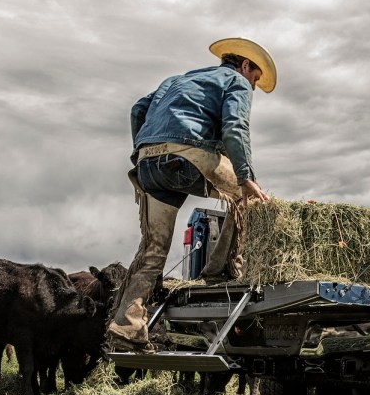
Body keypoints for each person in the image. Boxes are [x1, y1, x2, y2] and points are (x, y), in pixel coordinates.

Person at [107, 38, 277, 352]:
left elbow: (138, 109)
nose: (252, 87)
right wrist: (246, 177)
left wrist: (141, 149)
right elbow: (235, 127)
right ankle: (222, 270)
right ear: (244, 65)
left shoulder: (175, 80)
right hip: (190, 155)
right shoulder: (236, 81)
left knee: (153, 248)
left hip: (148, 163)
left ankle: (128, 323)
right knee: (252, 198)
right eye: (255, 78)